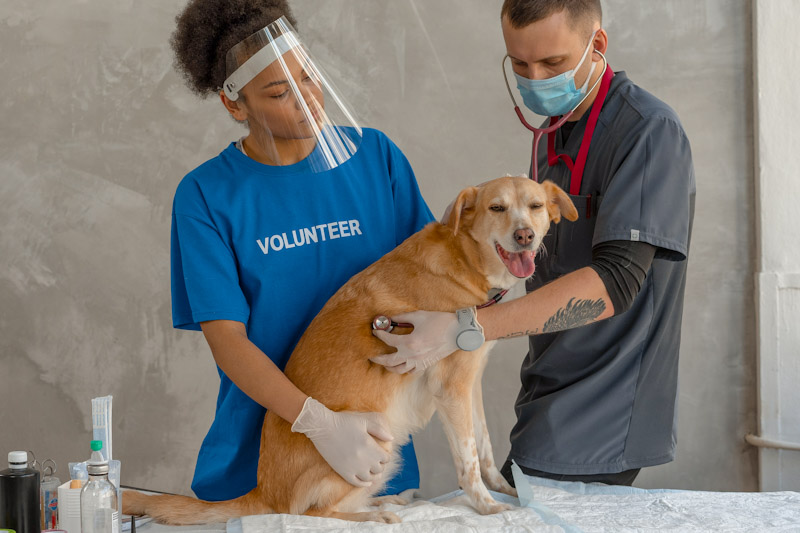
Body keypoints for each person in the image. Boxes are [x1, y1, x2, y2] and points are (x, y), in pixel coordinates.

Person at [372, 0, 695, 487]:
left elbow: (617, 282)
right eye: (520, 65)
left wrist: (464, 327)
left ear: (597, 45)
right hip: (546, 391)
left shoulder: (649, 132)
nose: (536, 78)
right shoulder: (551, 134)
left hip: (606, 408)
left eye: (553, 64)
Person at [168, 0, 433, 501]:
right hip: (261, 469)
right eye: (279, 91)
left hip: (370, 461)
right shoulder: (205, 196)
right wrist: (321, 425)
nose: (308, 98)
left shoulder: (376, 158)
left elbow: (434, 278)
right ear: (234, 105)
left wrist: (459, 327)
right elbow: (228, 342)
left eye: (310, 77)